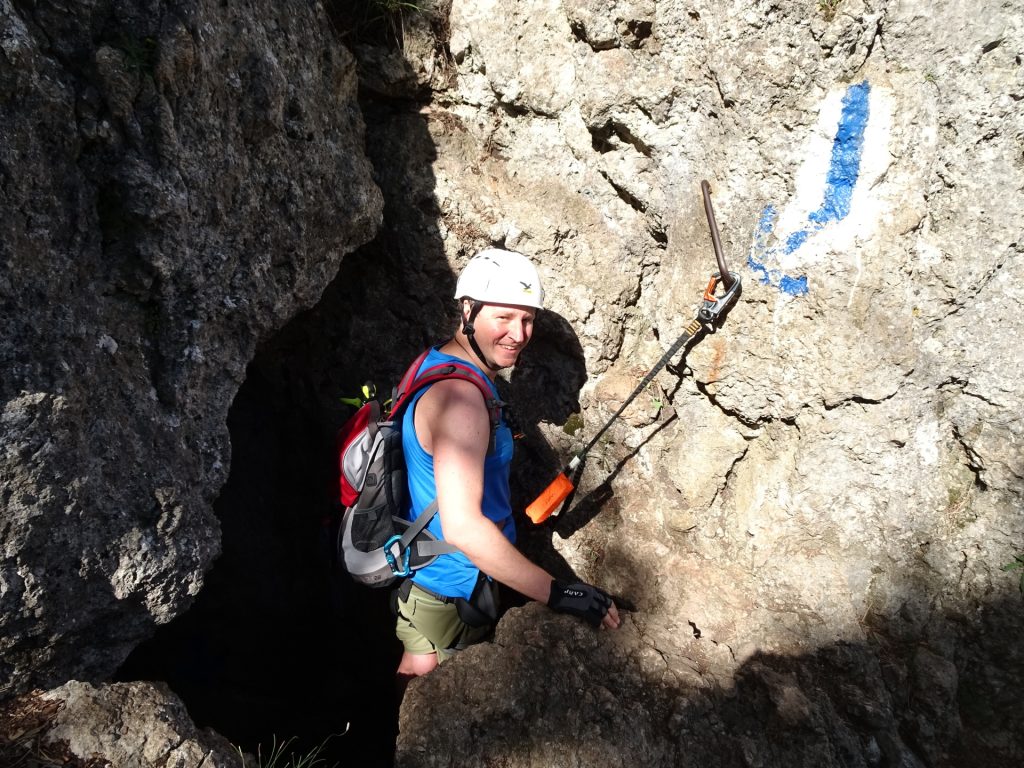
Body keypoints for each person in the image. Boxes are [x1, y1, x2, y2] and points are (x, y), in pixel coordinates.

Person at [395, 248, 621, 684]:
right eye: (504, 317)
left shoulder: (439, 361)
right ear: (468, 311)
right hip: (446, 587)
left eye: (528, 319)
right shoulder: (461, 402)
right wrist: (558, 593)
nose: (518, 334)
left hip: (445, 572)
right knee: (425, 682)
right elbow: (462, 527)